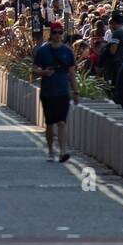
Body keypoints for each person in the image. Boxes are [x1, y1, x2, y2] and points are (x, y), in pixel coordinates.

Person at [32, 22, 79, 162]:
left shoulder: (67, 52)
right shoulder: (43, 51)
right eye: (55, 32)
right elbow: (33, 69)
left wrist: (76, 92)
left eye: (60, 32)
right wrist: (44, 72)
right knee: (50, 123)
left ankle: (63, 151)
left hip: (63, 91)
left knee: (62, 122)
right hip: (48, 91)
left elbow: (72, 74)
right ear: (51, 34)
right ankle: (51, 150)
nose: (58, 35)